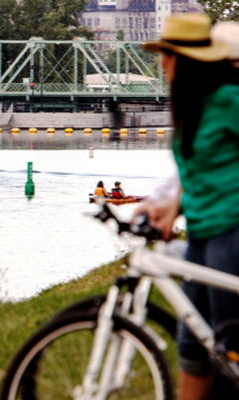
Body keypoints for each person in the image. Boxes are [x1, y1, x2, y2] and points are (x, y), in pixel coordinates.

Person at [137, 14, 239, 399]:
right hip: (200, 232)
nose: (161, 63)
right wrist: (169, 208)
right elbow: (196, 171)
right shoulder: (191, 105)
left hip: (230, 231)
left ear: (187, 60)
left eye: (167, 55)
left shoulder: (228, 100)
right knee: (194, 343)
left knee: (229, 342)